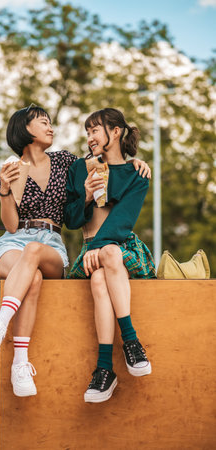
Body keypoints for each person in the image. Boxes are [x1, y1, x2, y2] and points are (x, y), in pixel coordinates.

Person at [0, 104, 151, 398]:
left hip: (77, 244)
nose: (51, 127)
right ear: (26, 130)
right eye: (43, 122)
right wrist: (6, 191)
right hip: (27, 242)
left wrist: (137, 162)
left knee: (74, 253)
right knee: (58, 278)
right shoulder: (31, 168)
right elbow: (20, 222)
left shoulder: (70, 162)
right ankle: (33, 363)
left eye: (94, 129)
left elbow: (117, 206)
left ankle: (1, 322)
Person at [64, 107, 156, 404]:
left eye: (95, 130)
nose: (89, 137)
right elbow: (71, 219)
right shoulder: (80, 168)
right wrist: (87, 195)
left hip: (121, 248)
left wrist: (99, 248)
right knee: (101, 273)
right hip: (90, 252)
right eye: (87, 131)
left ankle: (105, 367)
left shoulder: (137, 173)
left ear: (115, 132)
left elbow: (123, 221)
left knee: (109, 260)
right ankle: (130, 342)